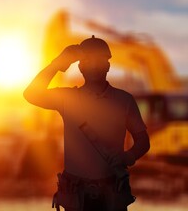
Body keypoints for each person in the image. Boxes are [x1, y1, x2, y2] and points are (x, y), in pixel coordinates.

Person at [24, 35, 150, 211]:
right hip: (76, 196)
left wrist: (127, 157)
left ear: (107, 66)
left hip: (111, 194)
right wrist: (58, 63)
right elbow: (31, 94)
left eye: (99, 60)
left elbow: (143, 141)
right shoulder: (67, 98)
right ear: (81, 67)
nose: (94, 66)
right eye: (88, 61)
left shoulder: (124, 100)